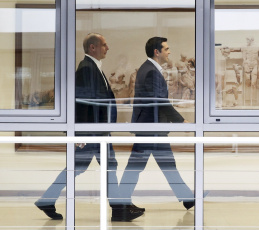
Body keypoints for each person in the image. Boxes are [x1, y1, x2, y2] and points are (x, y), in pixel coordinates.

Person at [35, 33, 144, 222]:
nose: (107, 48)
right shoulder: (86, 68)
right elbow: (81, 103)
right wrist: (80, 134)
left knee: (83, 167)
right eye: (104, 44)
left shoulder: (95, 67)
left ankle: (48, 199)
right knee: (107, 166)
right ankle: (119, 209)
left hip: (98, 131)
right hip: (93, 132)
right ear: (92, 48)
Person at [118, 37, 195, 210]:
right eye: (166, 49)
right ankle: (120, 204)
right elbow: (160, 101)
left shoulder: (149, 69)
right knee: (139, 167)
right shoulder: (151, 71)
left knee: (163, 166)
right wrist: (180, 120)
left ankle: (188, 198)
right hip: (150, 129)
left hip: (151, 127)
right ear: (157, 52)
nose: (169, 52)